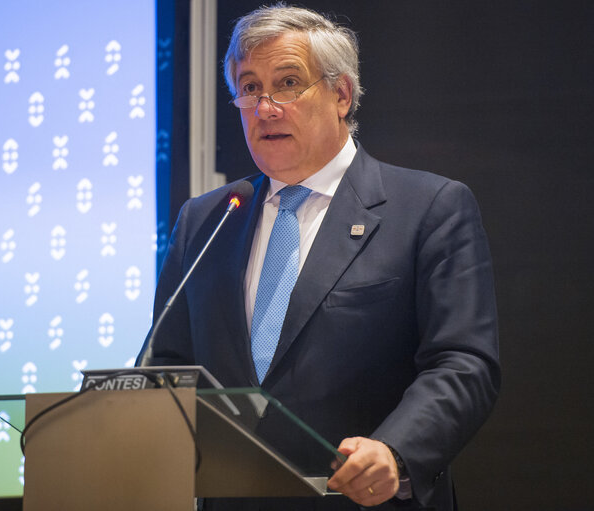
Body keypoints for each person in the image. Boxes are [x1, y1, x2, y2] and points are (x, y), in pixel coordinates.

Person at [138, 4, 500, 510]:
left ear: (341, 95)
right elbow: (165, 367)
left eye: (288, 83)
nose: (265, 108)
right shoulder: (207, 219)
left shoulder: (428, 209)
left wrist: (394, 452)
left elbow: (462, 363)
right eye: (249, 87)